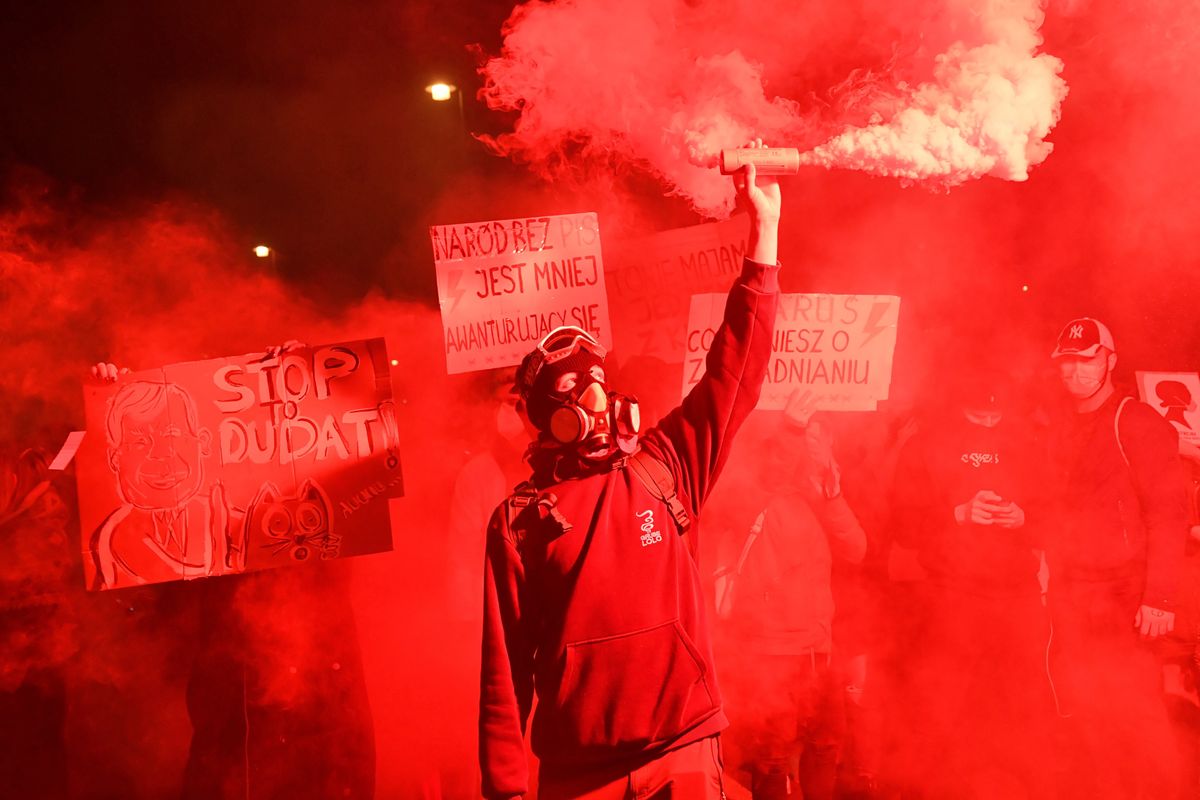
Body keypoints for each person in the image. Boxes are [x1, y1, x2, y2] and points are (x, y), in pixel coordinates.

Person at [478, 140, 783, 800]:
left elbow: (736, 370)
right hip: (578, 774)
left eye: (599, 380)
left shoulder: (663, 466)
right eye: (577, 388)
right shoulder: (520, 523)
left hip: (685, 747)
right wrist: (504, 793)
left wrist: (765, 236)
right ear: (549, 416)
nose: (598, 396)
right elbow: (502, 677)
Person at [1044, 317, 1189, 799]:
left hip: (1127, 597)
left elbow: (1169, 514)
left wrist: (1160, 598)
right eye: (1068, 362)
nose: (1076, 371)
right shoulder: (1063, 424)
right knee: (1091, 715)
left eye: (1087, 360)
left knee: (1138, 718)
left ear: (1110, 359)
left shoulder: (1138, 420)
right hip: (1076, 595)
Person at [889, 368, 1051, 798]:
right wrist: (956, 515)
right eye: (981, 416)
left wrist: (1025, 519)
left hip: (1017, 595)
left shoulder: (1030, 441)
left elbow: (1059, 515)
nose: (989, 422)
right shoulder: (927, 443)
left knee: (1020, 709)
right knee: (946, 711)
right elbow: (901, 525)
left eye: (996, 415)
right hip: (951, 596)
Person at [709, 390, 867, 800]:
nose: (811, 448)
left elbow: (857, 549)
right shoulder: (757, 494)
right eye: (805, 439)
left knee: (826, 745)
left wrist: (832, 495)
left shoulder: (822, 496)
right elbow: (772, 470)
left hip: (819, 649)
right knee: (772, 758)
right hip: (772, 652)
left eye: (820, 439)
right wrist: (791, 428)